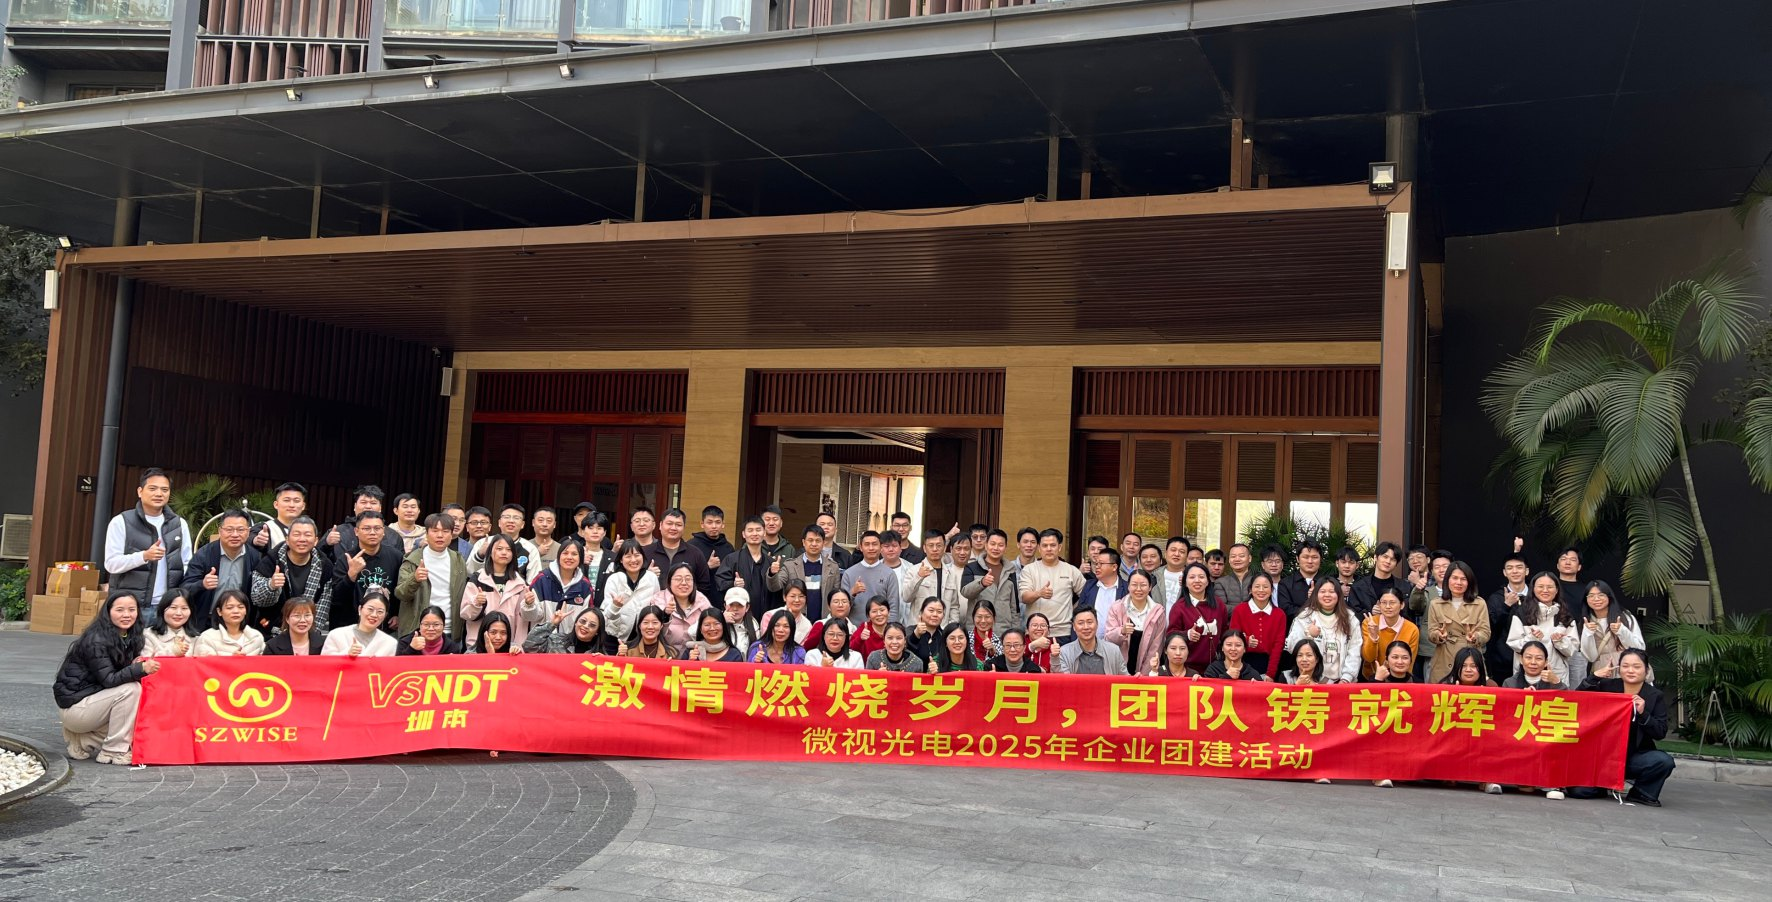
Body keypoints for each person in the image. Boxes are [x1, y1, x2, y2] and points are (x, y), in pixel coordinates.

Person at [54, 591, 159, 765]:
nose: (127, 615)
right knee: (131, 690)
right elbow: (109, 679)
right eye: (120, 610)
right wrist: (138, 669)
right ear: (108, 612)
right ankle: (112, 751)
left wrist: (135, 665)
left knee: (133, 722)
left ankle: (82, 741)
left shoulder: (129, 636)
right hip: (76, 707)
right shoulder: (96, 640)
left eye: (132, 609)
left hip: (96, 702)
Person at [1574, 648, 1673, 807]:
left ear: (1646, 670)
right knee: (1579, 791)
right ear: (1619, 669)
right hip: (1602, 756)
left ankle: (1641, 793)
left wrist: (1643, 713)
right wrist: (1594, 677)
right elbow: (1578, 700)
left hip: (1633, 757)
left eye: (1636, 666)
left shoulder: (1654, 695)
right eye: (1625, 666)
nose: (1630, 670)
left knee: (1663, 761)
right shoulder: (1607, 686)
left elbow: (1660, 732)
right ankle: (1601, 786)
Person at [103, 469, 193, 620]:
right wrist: (143, 556)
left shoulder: (179, 524)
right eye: (153, 488)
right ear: (140, 491)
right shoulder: (121, 521)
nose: (159, 494)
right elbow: (111, 564)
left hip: (167, 608)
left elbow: (187, 563)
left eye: (164, 490)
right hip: (131, 608)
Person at [179, 509, 262, 633]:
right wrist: (202, 584)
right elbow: (184, 589)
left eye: (240, 530)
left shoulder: (255, 557)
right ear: (220, 531)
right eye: (229, 530)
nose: (235, 534)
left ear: (248, 532)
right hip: (206, 621)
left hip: (239, 622)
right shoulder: (204, 554)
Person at [251, 516, 334, 636]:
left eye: (307, 535)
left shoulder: (325, 565)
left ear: (316, 540)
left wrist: (308, 633)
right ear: (287, 539)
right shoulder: (271, 561)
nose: (302, 539)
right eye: (296, 534)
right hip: (270, 631)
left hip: (307, 633)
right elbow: (256, 599)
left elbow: (323, 606)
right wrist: (271, 586)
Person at [460, 535, 543, 651]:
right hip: (480, 646)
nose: (504, 552)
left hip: (511, 647)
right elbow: (465, 614)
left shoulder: (520, 583)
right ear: (490, 552)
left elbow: (533, 617)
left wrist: (529, 605)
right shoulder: (478, 579)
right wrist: (476, 604)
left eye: (508, 549)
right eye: (499, 549)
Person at [395, 512, 468, 642]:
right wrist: (415, 579)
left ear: (451, 534)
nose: (440, 535)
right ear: (427, 533)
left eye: (445, 531)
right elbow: (401, 594)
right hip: (418, 631)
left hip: (450, 631)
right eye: (435, 531)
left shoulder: (458, 560)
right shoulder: (413, 560)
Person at [1441, 646, 1503, 794]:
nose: (1468, 670)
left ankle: (1488, 780)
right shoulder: (1444, 686)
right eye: (1464, 666)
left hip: (1481, 738)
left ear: (1480, 668)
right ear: (1457, 667)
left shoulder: (1491, 686)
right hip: (1453, 738)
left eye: (1473, 666)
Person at [331, 510, 405, 633]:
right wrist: (351, 576)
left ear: (383, 531)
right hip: (350, 626)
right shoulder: (346, 559)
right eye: (366, 528)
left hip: (385, 627)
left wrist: (397, 614)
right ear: (356, 531)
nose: (372, 532)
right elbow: (336, 598)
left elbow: (401, 590)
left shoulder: (396, 556)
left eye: (377, 528)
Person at [1507, 572, 1578, 684]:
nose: (1545, 590)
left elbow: (1572, 650)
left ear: (1557, 590)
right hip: (1526, 676)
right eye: (1540, 586)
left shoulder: (1565, 615)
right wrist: (1531, 639)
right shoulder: (1522, 613)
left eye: (1550, 587)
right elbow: (1513, 643)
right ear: (1533, 589)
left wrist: (1560, 641)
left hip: (1556, 674)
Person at [1286, 579, 1361, 684]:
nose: (1327, 595)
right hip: (1311, 681)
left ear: (1339, 595)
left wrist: (1346, 678)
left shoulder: (1350, 619)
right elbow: (1291, 647)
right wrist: (1308, 634)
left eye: (1331, 591)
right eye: (1322, 591)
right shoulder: (1304, 617)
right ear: (1316, 594)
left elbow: (1354, 650)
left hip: (1342, 682)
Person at [1426, 562, 1490, 683]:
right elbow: (1431, 633)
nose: (1458, 583)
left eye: (1463, 579)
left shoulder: (1479, 603)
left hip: (1470, 658)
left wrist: (1475, 636)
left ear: (1469, 582)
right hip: (1444, 659)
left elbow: (1485, 632)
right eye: (1454, 578)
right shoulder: (1436, 604)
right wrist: (1439, 635)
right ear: (1447, 580)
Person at [1018, 528, 1087, 639]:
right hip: (1036, 632)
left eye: (1053, 545)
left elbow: (1086, 595)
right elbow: (1024, 597)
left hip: (1063, 632)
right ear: (1039, 548)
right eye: (1045, 546)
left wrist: (1073, 609)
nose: (1049, 549)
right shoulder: (1029, 570)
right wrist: (1039, 593)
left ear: (1059, 547)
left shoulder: (1071, 570)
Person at [526, 537, 593, 645]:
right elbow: (529, 617)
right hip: (541, 644)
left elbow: (587, 618)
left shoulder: (585, 585)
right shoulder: (541, 579)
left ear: (580, 558)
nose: (569, 557)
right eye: (565, 553)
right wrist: (528, 605)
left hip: (570, 646)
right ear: (558, 556)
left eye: (574, 554)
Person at [1167, 563, 1225, 675]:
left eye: (1201, 577)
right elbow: (1170, 635)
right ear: (1185, 582)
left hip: (1214, 667)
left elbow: (1224, 631)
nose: (1197, 580)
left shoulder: (1219, 604)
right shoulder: (1179, 607)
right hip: (1187, 668)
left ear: (1208, 581)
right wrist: (1187, 634)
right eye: (1192, 577)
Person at [1105, 570, 1167, 676]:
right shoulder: (1117, 608)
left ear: (1150, 587)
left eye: (1143, 585)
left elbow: (1156, 647)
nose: (1138, 589)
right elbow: (1108, 639)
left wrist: (1143, 676)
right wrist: (1122, 631)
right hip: (1118, 670)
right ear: (1128, 587)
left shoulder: (1158, 612)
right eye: (1134, 585)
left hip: (1145, 673)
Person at [1579, 580, 1645, 678]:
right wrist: (1587, 633)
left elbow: (1639, 648)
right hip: (1603, 672)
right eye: (1591, 596)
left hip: (1627, 669)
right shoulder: (1586, 622)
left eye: (1601, 595)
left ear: (1609, 597)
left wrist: (1622, 631)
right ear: (1586, 599)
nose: (1596, 599)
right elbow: (1591, 657)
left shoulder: (1624, 617)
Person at [717, 517, 780, 619]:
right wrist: (733, 584)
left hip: (765, 617)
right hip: (739, 618)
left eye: (758, 530)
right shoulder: (732, 559)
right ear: (743, 534)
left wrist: (772, 574)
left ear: (764, 533)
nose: (754, 534)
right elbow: (720, 583)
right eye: (750, 530)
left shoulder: (771, 562)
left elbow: (778, 592)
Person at [1228, 572, 1287, 680]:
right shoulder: (1240, 610)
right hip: (1242, 662)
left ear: (1272, 590)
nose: (1261, 590)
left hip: (1269, 664)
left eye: (1265, 587)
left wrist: (1271, 674)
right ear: (1250, 589)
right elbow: (1232, 638)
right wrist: (1246, 641)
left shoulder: (1279, 614)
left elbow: (1278, 646)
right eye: (1257, 586)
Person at [768, 524, 833, 621]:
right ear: (803, 542)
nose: (814, 544)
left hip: (823, 621)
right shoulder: (790, 565)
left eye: (818, 540)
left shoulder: (832, 567)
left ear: (823, 543)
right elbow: (774, 587)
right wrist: (772, 573)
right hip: (796, 620)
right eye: (810, 540)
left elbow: (835, 595)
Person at [1485, 551, 1532, 683]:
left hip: (1532, 660)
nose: (1514, 571)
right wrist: (1506, 606)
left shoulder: (1536, 596)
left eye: (1519, 567)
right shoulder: (1496, 598)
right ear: (1504, 572)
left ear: (1527, 571)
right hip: (1503, 661)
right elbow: (1491, 628)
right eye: (1510, 568)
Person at [645, 508, 714, 599]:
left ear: (684, 527)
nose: (673, 528)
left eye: (678, 524)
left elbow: (704, 585)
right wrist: (647, 575)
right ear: (661, 525)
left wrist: (688, 602)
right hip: (653, 605)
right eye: (669, 523)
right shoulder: (645, 552)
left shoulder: (695, 554)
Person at [601, 539, 660, 644]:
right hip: (615, 636)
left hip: (644, 637)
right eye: (628, 556)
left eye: (637, 555)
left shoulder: (651, 578)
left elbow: (656, 607)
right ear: (621, 560)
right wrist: (615, 606)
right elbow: (607, 615)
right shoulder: (614, 579)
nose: (633, 560)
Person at [841, 531, 904, 625]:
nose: (871, 548)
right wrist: (853, 592)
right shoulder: (849, 573)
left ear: (881, 547)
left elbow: (893, 607)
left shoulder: (889, 574)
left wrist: (889, 629)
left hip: (881, 629)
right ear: (861, 547)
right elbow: (841, 606)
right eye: (867, 544)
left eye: (874, 544)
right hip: (854, 629)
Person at [962, 529, 1020, 630]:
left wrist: (1015, 630)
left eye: (1000, 545)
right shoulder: (972, 567)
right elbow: (965, 592)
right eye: (992, 544)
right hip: (977, 628)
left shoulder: (1010, 570)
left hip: (1003, 630)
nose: (996, 548)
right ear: (986, 545)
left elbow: (1014, 606)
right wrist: (981, 583)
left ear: (1005, 548)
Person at [905, 530, 965, 626]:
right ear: (924, 548)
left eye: (939, 545)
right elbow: (906, 597)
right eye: (931, 545)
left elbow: (954, 606)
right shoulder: (914, 570)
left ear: (944, 548)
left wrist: (951, 626)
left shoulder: (950, 573)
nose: (935, 549)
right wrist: (918, 577)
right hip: (919, 627)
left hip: (943, 628)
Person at [467, 504, 540, 580]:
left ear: (522, 524)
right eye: (506, 517)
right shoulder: (483, 543)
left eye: (516, 518)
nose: (511, 521)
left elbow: (534, 580)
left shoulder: (530, 549)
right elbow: (469, 573)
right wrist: (480, 555)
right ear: (499, 522)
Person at [1359, 589, 1419, 680]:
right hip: (1372, 678)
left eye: (1392, 603)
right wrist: (1374, 637)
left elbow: (1409, 663)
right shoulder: (1370, 622)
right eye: (1384, 603)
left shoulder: (1412, 629)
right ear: (1379, 604)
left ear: (1402, 605)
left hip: (1400, 679)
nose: (1388, 607)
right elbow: (1368, 658)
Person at [320, 588, 398, 657]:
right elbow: (325, 663)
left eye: (380, 612)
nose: (374, 615)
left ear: (385, 615)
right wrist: (346, 654)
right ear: (360, 609)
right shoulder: (336, 635)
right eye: (370, 609)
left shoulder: (390, 643)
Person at [193, 589, 265, 656]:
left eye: (240, 607)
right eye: (229, 608)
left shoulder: (256, 636)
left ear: (246, 610)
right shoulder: (207, 638)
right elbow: (203, 664)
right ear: (219, 611)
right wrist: (231, 660)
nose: (236, 611)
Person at [1055, 607, 1126, 675]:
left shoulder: (1113, 651)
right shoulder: (1065, 652)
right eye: (1080, 623)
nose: (1086, 627)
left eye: (1089, 622)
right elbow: (1062, 680)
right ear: (1074, 627)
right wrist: (1054, 658)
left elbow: (1125, 679)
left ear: (1097, 624)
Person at [325, 484, 385, 563]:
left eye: (373, 503)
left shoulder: (393, 536)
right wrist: (327, 544)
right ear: (355, 506)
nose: (368, 506)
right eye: (363, 502)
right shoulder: (337, 532)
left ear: (380, 507)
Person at [1348, 540, 1407, 619]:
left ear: (1396, 564)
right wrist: (1370, 612)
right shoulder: (1359, 587)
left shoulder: (1404, 587)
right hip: (1367, 626)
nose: (1388, 561)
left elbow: (1408, 614)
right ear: (1375, 557)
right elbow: (1352, 615)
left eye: (1393, 559)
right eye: (1385, 557)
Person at [526, 606, 616, 656]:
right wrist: (552, 624)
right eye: (583, 621)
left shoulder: (599, 655)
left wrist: (602, 662)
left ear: (597, 631)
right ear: (576, 622)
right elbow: (529, 647)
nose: (585, 626)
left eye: (592, 625)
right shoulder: (556, 640)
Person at [250, 481, 308, 551]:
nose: (291, 505)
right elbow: (251, 538)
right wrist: (256, 540)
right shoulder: (266, 528)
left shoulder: (309, 530)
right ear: (276, 504)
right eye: (286, 500)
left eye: (296, 501)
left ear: (303, 506)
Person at [1276, 540, 1326, 621]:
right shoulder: (1285, 584)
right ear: (1297, 559)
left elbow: (1336, 608)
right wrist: (1310, 610)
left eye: (1314, 557)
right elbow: (1286, 610)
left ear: (1321, 559)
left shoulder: (1329, 583)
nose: (1310, 561)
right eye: (1305, 557)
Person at [142, 589, 198, 658]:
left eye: (184, 608)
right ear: (162, 609)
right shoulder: (148, 635)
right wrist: (173, 651)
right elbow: (146, 661)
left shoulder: (196, 638)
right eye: (173, 607)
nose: (178, 613)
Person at [399, 606, 465, 656]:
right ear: (420, 626)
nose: (431, 629)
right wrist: (411, 648)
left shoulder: (452, 647)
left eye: (436, 624)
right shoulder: (405, 643)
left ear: (443, 626)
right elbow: (397, 666)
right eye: (426, 624)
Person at [1080, 549, 1127, 616]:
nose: (1097, 567)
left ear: (1114, 567)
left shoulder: (1127, 588)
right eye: (1097, 563)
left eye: (1101, 563)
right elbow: (1080, 612)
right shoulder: (1089, 586)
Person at [689, 505, 737, 570]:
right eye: (709, 522)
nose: (714, 526)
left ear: (723, 524)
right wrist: (707, 566)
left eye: (718, 522)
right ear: (702, 524)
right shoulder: (692, 546)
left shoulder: (728, 548)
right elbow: (686, 572)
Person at [905, 596, 946, 665]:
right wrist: (916, 635)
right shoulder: (910, 630)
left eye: (939, 612)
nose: (935, 614)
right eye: (931, 610)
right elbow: (905, 649)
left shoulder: (944, 635)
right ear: (921, 612)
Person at [850, 596, 892, 661]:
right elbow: (851, 648)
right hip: (867, 666)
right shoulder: (864, 628)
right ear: (868, 616)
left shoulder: (893, 629)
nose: (879, 614)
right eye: (874, 611)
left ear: (889, 612)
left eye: (882, 610)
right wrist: (860, 639)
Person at [720, 587, 761, 654]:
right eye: (731, 604)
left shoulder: (754, 625)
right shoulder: (716, 620)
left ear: (747, 607)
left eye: (740, 605)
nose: (735, 608)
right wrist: (721, 622)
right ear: (725, 606)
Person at [775, 580, 816, 644]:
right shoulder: (770, 616)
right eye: (792, 596)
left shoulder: (807, 625)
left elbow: (802, 648)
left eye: (801, 596)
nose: (797, 600)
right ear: (784, 597)